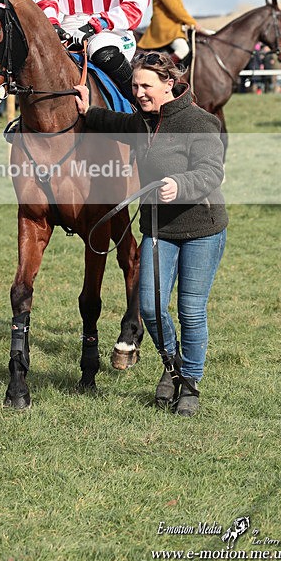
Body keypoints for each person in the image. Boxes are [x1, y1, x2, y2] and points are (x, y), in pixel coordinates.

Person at [74, 52, 228, 416]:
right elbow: (112, 121)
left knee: (191, 311)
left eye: (146, 86)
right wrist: (87, 110)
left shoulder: (200, 122)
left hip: (201, 230)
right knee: (150, 307)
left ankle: (189, 384)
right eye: (135, 86)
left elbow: (211, 171)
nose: (139, 92)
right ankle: (173, 368)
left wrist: (181, 183)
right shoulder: (144, 123)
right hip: (159, 230)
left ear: (168, 84)